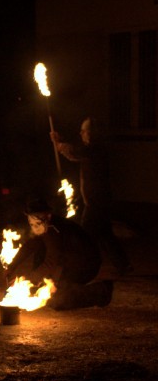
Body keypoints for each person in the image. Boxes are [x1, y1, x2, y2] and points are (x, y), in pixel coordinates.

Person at [51, 117, 133, 276]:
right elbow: (75, 153)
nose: (81, 133)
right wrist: (59, 142)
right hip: (98, 200)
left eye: (84, 130)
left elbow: (75, 152)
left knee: (84, 235)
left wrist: (59, 144)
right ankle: (123, 265)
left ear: (92, 133)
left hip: (97, 201)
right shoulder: (93, 149)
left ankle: (81, 265)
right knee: (106, 235)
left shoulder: (96, 149)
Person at [5, 198, 113, 310]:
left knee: (56, 300)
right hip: (71, 262)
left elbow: (52, 261)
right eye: (30, 219)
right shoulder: (42, 226)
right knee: (43, 283)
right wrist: (12, 266)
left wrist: (29, 280)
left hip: (85, 266)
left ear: (47, 215)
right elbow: (29, 245)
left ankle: (101, 291)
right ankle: (55, 285)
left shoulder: (53, 230)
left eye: (37, 218)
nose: (33, 223)